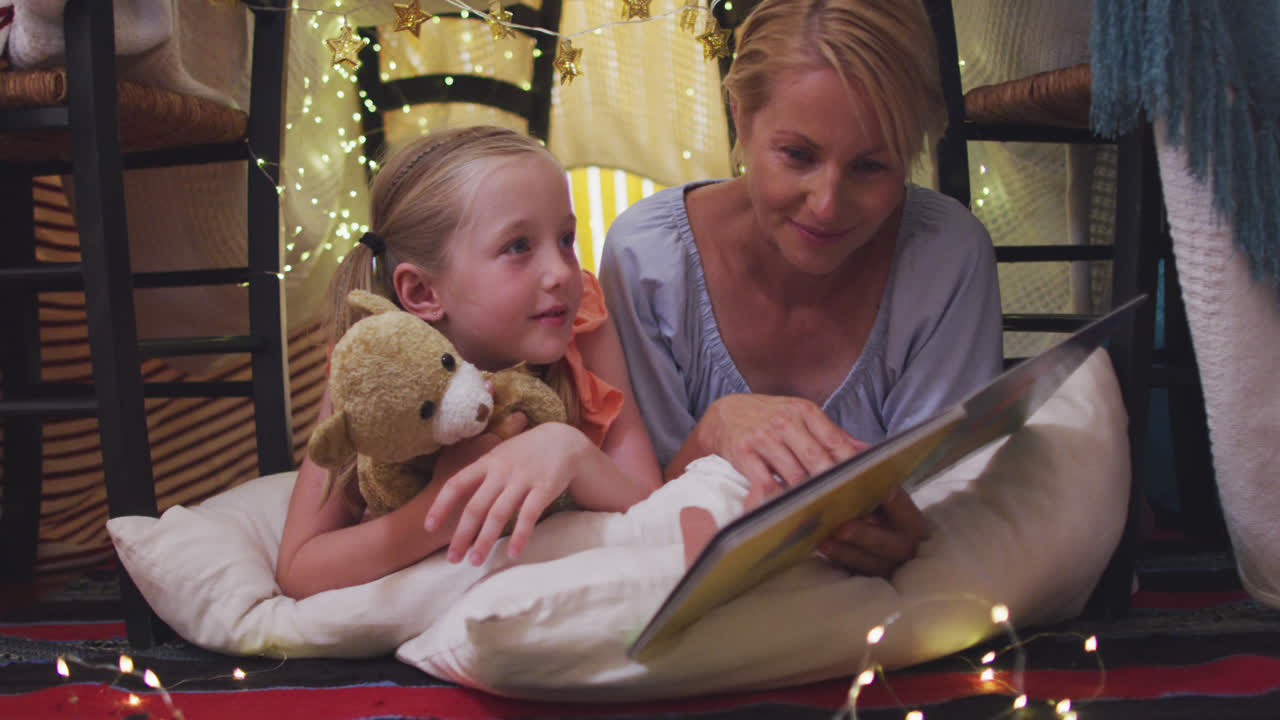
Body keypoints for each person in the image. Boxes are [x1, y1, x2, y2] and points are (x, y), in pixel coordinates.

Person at [600, 0, 1003, 578]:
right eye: (798, 155)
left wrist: (915, 538)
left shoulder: (946, 255)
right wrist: (716, 426)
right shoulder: (647, 259)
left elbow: (946, 493)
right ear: (740, 117)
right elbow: (639, 510)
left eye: (871, 167)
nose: (827, 203)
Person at [276, 126, 663, 600]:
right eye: (518, 246)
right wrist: (440, 508)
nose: (562, 272)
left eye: (565, 238)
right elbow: (299, 569)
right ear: (422, 292)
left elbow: (652, 508)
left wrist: (569, 453)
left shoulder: (582, 325)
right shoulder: (375, 367)